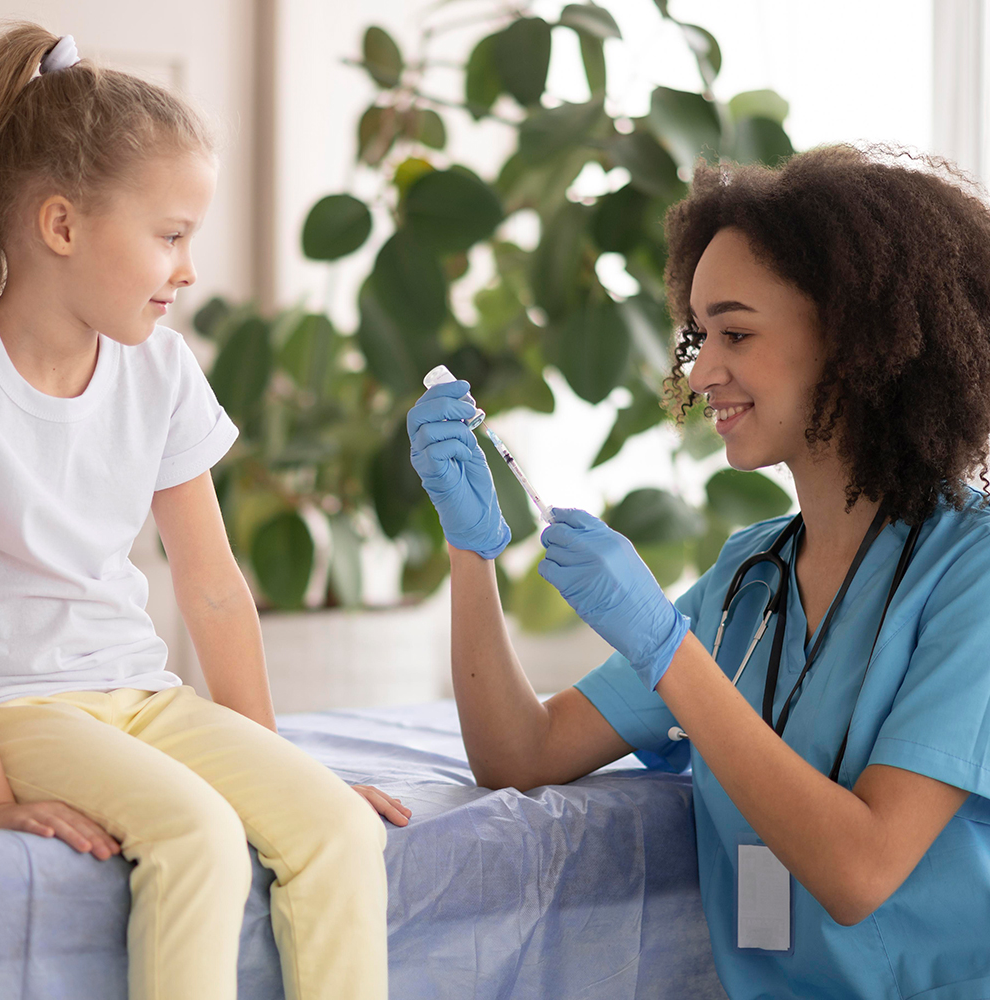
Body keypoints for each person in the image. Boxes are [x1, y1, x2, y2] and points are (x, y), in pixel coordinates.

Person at [407, 145, 990, 998]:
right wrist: (470, 550)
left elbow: (862, 870)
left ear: (856, 341)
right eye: (700, 334)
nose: (702, 371)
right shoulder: (748, 579)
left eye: (737, 333)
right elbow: (519, 753)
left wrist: (663, 646)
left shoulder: (971, 572)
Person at [0, 24, 409, 1000]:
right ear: (61, 226)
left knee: (338, 826)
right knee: (199, 834)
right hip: (21, 705)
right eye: (169, 235)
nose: (186, 269)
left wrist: (276, 765)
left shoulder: (161, 370)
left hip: (140, 691)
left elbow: (212, 586)